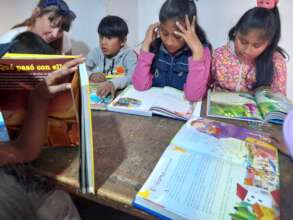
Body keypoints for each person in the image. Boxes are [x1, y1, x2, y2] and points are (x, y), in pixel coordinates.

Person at [132, 0, 211, 102]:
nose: (169, 42)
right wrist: (146, 46)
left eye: (178, 36)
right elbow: (139, 86)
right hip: (153, 111)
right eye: (164, 33)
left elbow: (193, 96)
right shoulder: (154, 47)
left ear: (191, 31)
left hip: (180, 113)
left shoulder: (201, 51)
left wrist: (197, 53)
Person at [212, 1, 287, 95]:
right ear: (235, 32)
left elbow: (279, 103)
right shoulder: (219, 55)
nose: (247, 50)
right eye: (243, 42)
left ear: (268, 44)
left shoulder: (276, 62)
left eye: (256, 46)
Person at [86, 15, 137, 98]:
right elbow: (80, 69)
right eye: (101, 37)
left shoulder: (129, 55)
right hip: (99, 96)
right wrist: (91, 75)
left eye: (109, 38)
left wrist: (113, 83)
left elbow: (133, 77)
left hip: (120, 95)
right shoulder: (96, 52)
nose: (103, 42)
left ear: (123, 41)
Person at [0, 0, 76, 54]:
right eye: (53, 25)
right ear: (36, 14)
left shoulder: (64, 40)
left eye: (60, 30)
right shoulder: (8, 41)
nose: (55, 35)